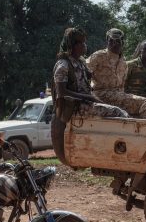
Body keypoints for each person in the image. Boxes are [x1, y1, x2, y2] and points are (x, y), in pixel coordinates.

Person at [51, 27, 129, 162]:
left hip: (86, 102)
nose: (84, 46)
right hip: (75, 107)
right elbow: (62, 92)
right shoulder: (63, 65)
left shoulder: (80, 62)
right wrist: (89, 97)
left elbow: (93, 75)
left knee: (115, 109)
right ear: (72, 46)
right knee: (119, 113)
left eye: (84, 42)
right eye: (80, 43)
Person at [86, 29, 146, 120]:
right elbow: (83, 71)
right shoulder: (98, 56)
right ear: (107, 42)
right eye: (111, 41)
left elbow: (123, 86)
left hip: (119, 97)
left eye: (117, 41)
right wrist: (87, 93)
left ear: (122, 43)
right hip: (101, 95)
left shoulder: (122, 62)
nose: (114, 44)